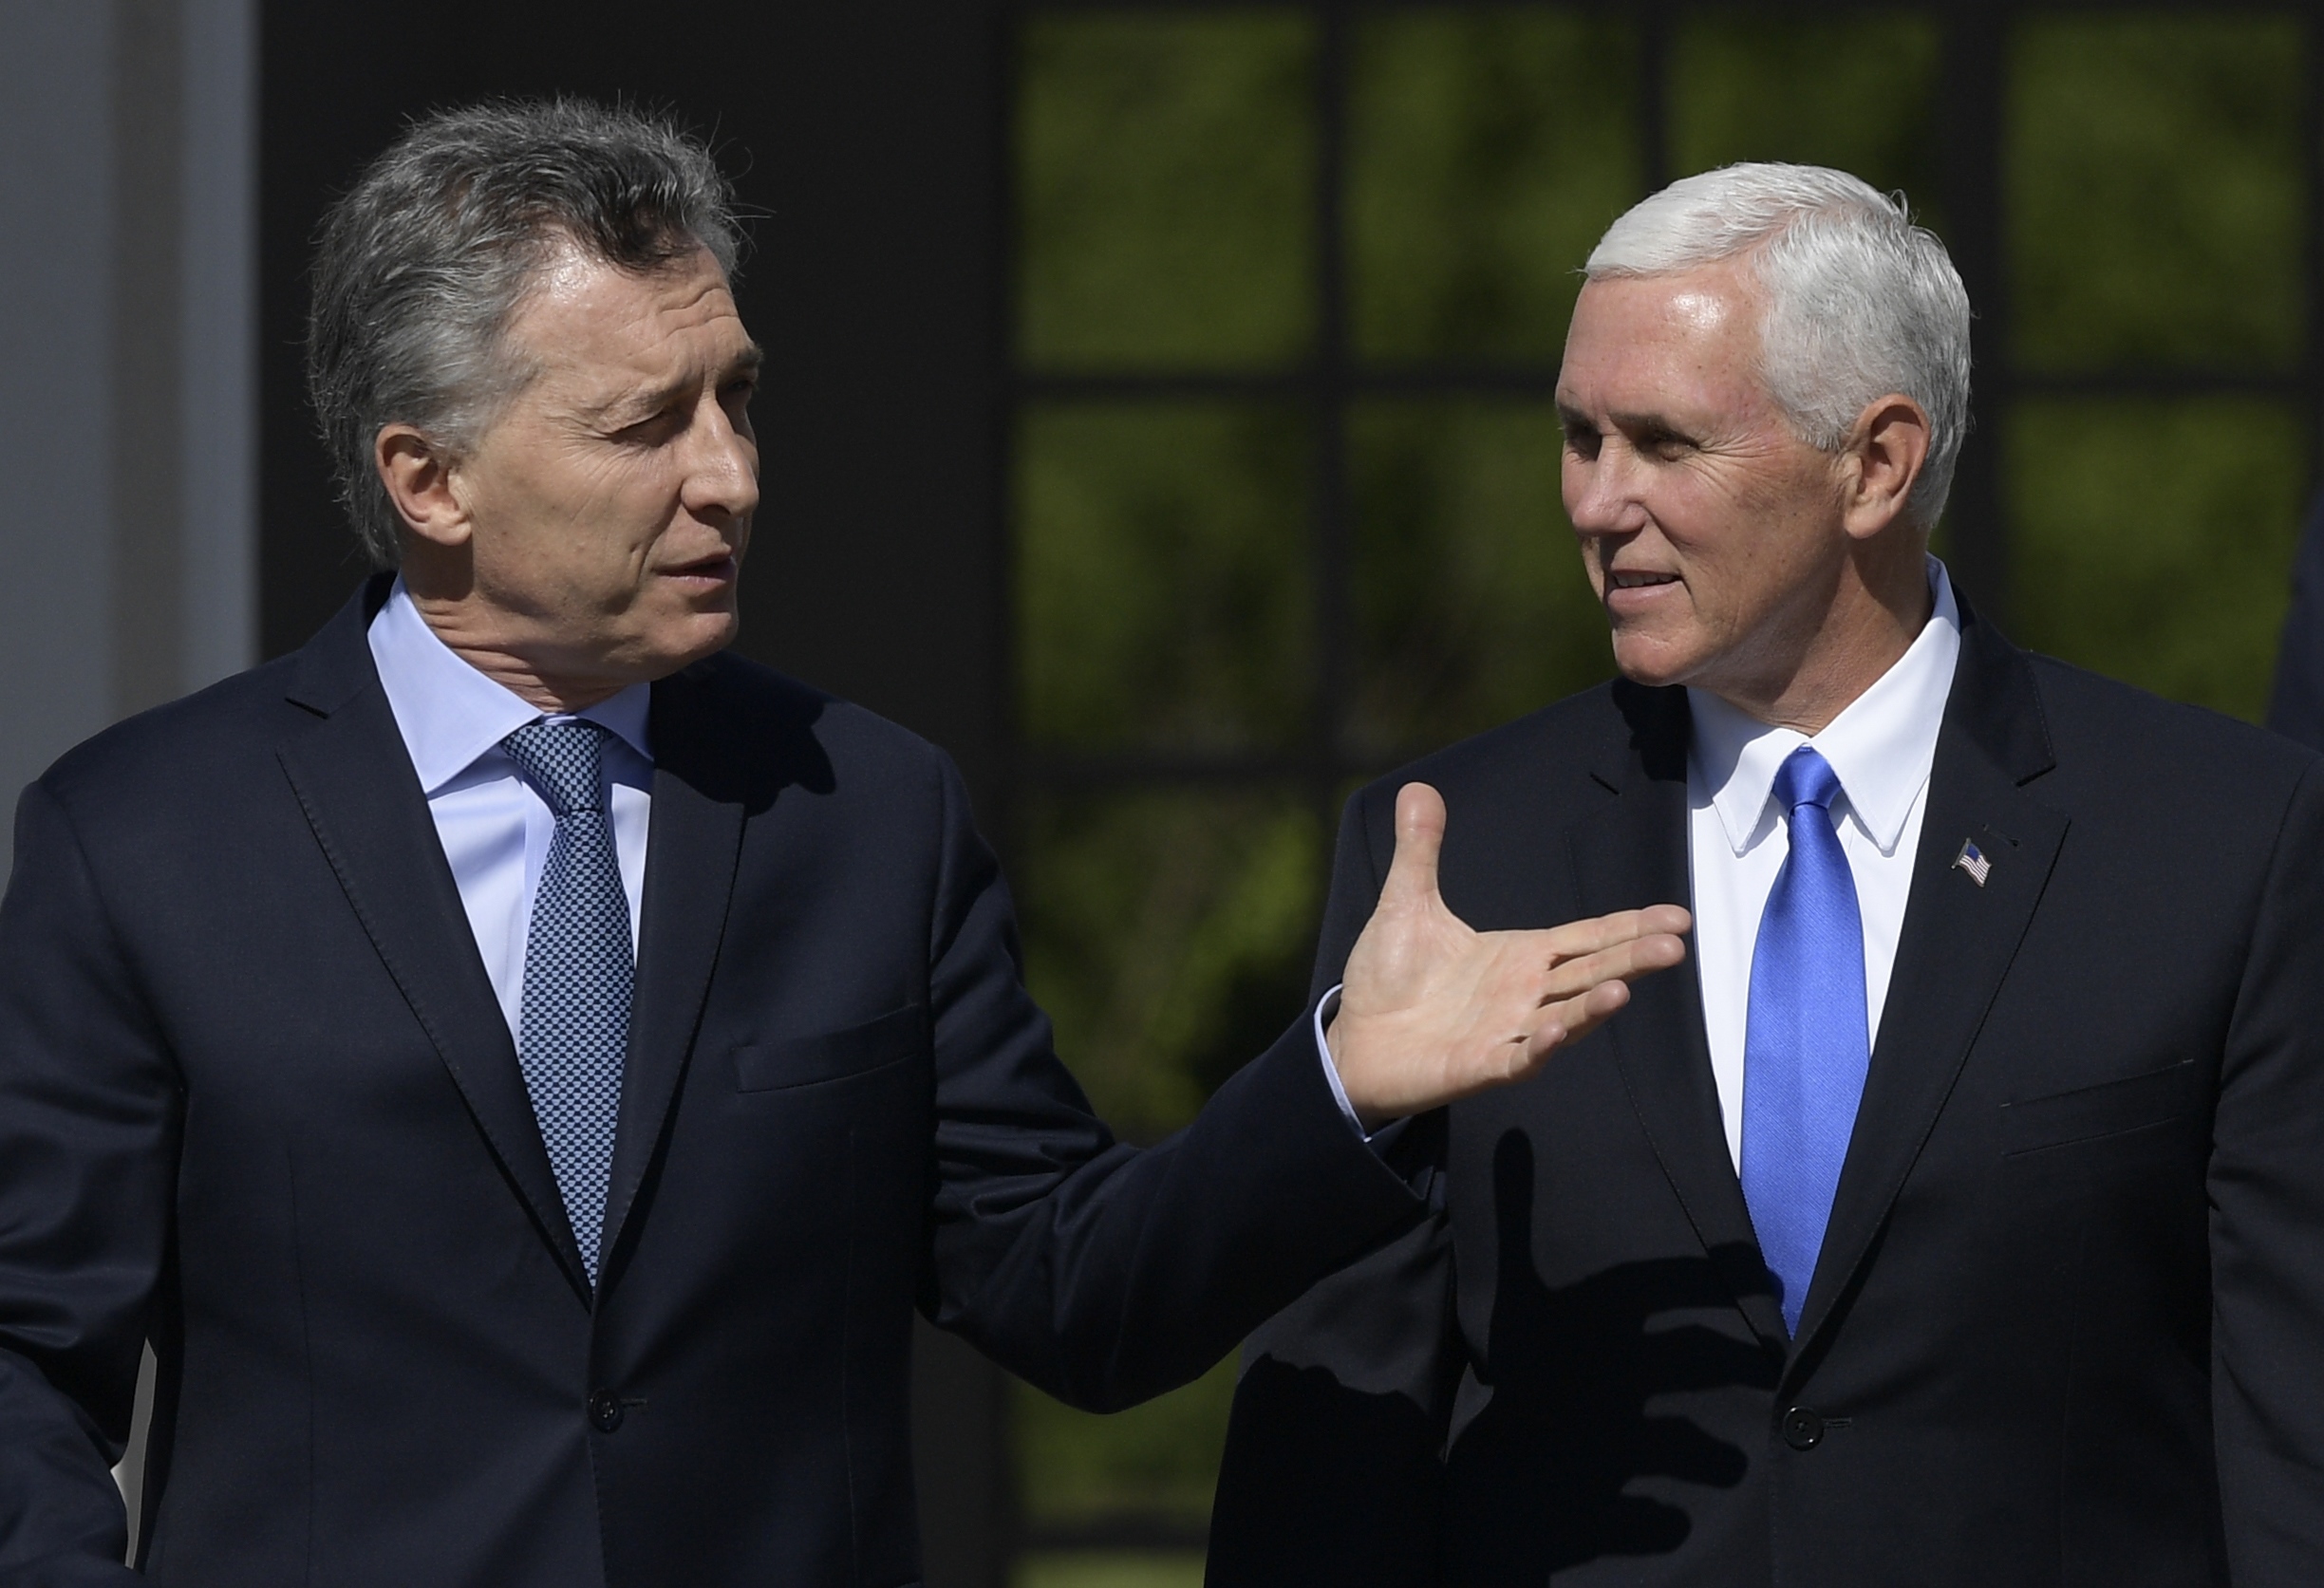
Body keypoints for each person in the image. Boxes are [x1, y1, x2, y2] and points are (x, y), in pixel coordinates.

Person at [0, 102, 1691, 1587]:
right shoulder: (141, 841)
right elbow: (25, 1356)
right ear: (427, 477)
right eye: (645, 424)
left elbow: (1069, 1287)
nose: (731, 474)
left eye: (737, 399)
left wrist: (1340, 1083)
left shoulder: (865, 810)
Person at [1207, 163, 2324, 1587]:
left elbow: (2296, 1438)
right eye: (1577, 437)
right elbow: (1330, 1441)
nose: (1596, 502)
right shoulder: (1455, 852)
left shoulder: (2223, 840)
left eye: (1664, 444)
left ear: (1877, 463)